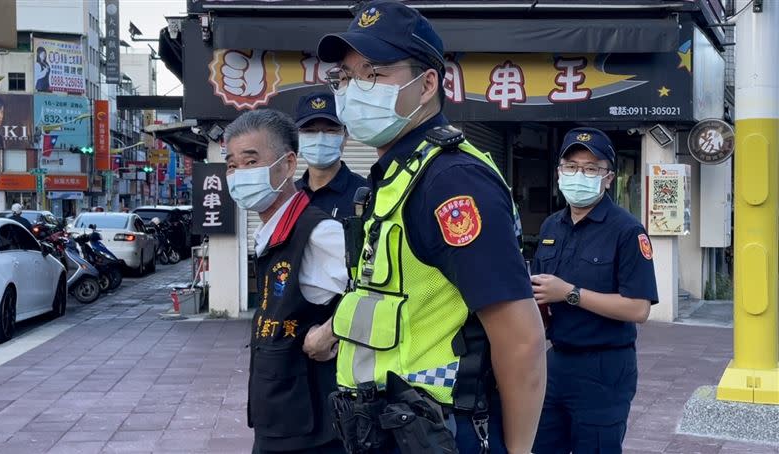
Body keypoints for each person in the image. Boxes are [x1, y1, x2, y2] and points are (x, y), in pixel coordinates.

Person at [304, 1, 547, 452]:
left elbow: (521, 335)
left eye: (374, 73)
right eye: (346, 76)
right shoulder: (395, 176)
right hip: (385, 426)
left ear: (427, 84)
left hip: (437, 431)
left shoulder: (451, 182)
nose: (355, 89)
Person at [224, 108, 348, 454]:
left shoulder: (318, 232)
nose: (238, 174)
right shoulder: (270, 232)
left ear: (289, 164)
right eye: (232, 165)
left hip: (311, 429)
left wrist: (332, 330)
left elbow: (376, 296)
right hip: (277, 415)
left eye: (251, 162)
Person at [530, 128, 658, 454]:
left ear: (608, 178)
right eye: (571, 167)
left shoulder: (627, 230)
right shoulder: (550, 227)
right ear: (559, 172)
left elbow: (638, 309)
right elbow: (540, 294)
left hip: (604, 368)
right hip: (555, 362)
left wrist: (570, 293)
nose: (579, 175)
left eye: (591, 169)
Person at [294, 92, 367, 219]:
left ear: (345, 136)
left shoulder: (365, 194)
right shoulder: (290, 196)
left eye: (331, 130)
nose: (320, 138)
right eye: (310, 131)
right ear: (298, 137)